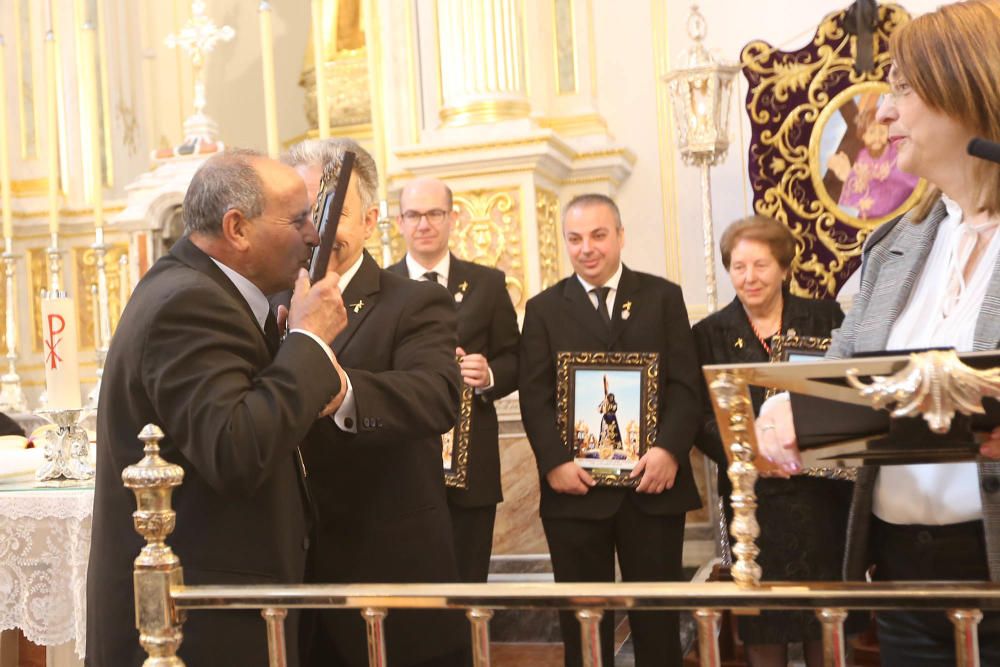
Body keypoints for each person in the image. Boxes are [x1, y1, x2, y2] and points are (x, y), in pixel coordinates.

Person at [756, 2, 1000, 663]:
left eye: (903, 89)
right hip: (902, 575)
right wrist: (788, 408)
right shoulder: (894, 243)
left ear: (968, 89)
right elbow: (841, 373)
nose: (884, 112)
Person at [86, 150, 349, 667]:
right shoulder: (188, 304)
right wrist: (310, 342)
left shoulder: (207, 291)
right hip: (199, 626)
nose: (314, 235)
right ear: (237, 228)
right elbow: (236, 449)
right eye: (298, 220)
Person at [283, 139, 469, 667]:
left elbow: (437, 396)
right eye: (301, 214)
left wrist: (344, 392)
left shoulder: (412, 301)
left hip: (388, 566)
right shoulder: (274, 304)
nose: (315, 229)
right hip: (295, 578)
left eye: (330, 212)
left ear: (369, 220)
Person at [519, 193, 703, 667]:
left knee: (658, 622)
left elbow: (686, 386)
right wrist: (554, 461)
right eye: (575, 238)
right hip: (574, 491)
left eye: (598, 235)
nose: (587, 248)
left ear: (620, 236)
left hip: (653, 483)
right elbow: (533, 396)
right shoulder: (542, 309)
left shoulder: (663, 298)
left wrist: (669, 450)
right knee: (583, 622)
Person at [692, 215, 852, 667]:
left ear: (783, 266)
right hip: (753, 503)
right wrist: (749, 454)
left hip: (826, 497)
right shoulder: (708, 334)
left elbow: (847, 394)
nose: (750, 277)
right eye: (738, 267)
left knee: (828, 622)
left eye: (760, 265)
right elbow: (700, 418)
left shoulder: (827, 318)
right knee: (764, 625)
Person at [386, 176, 520, 583]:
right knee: (410, 584)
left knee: (467, 582)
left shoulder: (488, 284)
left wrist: (490, 373)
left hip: (471, 466)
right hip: (398, 465)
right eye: (413, 215)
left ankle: (469, 650)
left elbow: (517, 357)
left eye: (434, 214)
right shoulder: (379, 286)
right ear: (399, 221)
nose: (423, 224)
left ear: (452, 218)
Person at [827, 92, 919, 220]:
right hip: (867, 220)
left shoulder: (897, 155)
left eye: (881, 132)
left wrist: (848, 175)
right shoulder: (860, 157)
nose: (876, 137)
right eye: (871, 132)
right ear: (863, 136)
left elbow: (891, 196)